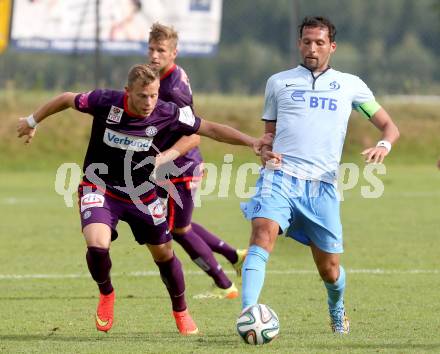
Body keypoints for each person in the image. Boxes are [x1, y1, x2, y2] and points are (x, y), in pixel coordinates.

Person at [16, 64, 263, 335]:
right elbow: (65, 98)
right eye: (143, 96)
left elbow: (210, 130)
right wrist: (31, 122)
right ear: (128, 92)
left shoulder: (166, 112)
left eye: (154, 95)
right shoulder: (105, 101)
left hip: (142, 194)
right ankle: (107, 294)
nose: (149, 102)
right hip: (98, 186)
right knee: (97, 243)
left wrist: (252, 141)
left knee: (164, 254)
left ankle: (180, 310)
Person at [239, 16, 400, 334]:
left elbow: (389, 126)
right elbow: (269, 135)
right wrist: (265, 149)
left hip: (322, 186)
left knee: (329, 270)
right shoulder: (278, 82)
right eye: (307, 41)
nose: (312, 48)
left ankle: (337, 309)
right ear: (299, 44)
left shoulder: (350, 85)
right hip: (279, 176)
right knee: (261, 234)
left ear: (332, 47)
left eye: (320, 42)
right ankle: (248, 314)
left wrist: (383, 145)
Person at [147, 22, 247, 299]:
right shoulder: (166, 77)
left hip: (179, 168)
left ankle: (224, 285)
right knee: (181, 225)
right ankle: (234, 256)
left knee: (177, 230)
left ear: (174, 53)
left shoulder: (172, 90)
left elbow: (193, 136)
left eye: (161, 50)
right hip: (172, 169)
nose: (155, 55)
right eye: (151, 49)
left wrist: (164, 157)